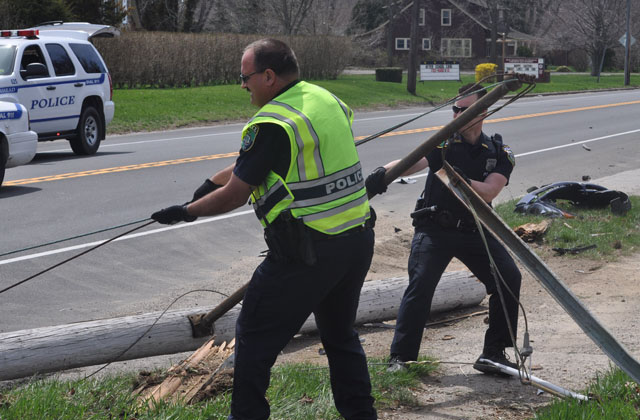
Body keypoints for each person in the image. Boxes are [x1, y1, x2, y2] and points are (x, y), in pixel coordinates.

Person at [151, 38, 377, 420]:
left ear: (268, 76)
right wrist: (211, 182)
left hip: (306, 252)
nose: (243, 85)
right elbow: (255, 164)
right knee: (340, 337)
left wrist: (186, 211)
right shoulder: (322, 99)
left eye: (246, 77)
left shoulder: (272, 123)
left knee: (254, 340)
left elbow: (236, 195)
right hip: (356, 241)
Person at [365, 83, 522, 376]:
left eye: (465, 111)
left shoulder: (500, 151)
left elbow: (489, 192)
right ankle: (401, 359)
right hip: (435, 228)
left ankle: (494, 353)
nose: (458, 116)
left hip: (475, 231)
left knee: (508, 278)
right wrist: (382, 175)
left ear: (483, 112)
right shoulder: (443, 143)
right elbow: (412, 161)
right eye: (455, 109)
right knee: (421, 284)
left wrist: (462, 180)